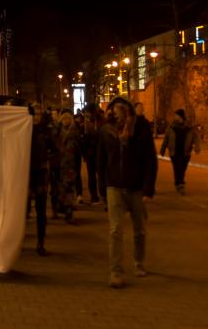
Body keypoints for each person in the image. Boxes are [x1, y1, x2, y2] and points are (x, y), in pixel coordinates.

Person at [98, 97, 158, 288]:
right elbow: (100, 159)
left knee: (139, 230)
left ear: (129, 112)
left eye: (121, 110)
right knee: (115, 230)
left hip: (136, 187)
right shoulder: (107, 131)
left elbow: (150, 159)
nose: (117, 114)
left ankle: (139, 261)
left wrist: (148, 187)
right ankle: (116, 271)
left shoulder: (140, 129)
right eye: (114, 110)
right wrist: (102, 186)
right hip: (114, 185)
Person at [28, 104, 52, 256]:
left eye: (38, 113)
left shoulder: (46, 132)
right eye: (33, 113)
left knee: (41, 209)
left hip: (40, 173)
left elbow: (56, 149)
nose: (36, 116)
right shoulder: (23, 130)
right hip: (24, 173)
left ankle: (40, 242)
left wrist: (46, 158)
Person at [159, 109, 200, 194]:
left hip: (186, 152)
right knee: (177, 168)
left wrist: (197, 147)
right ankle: (180, 184)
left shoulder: (189, 127)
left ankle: (179, 183)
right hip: (174, 152)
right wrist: (162, 149)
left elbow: (196, 137)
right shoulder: (171, 127)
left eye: (176, 115)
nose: (175, 117)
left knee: (183, 169)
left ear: (181, 117)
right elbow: (166, 138)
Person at [58, 109, 80, 223]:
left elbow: (77, 150)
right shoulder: (58, 133)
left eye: (68, 119)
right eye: (64, 119)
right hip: (61, 165)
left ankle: (69, 212)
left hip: (70, 165)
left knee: (69, 190)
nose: (66, 121)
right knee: (63, 190)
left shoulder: (74, 133)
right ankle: (65, 210)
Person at [82, 104, 103, 204]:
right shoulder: (84, 123)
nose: (86, 114)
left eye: (87, 112)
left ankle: (103, 195)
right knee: (92, 176)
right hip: (90, 154)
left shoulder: (100, 122)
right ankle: (94, 196)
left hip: (100, 153)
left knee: (102, 175)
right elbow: (83, 140)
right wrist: (85, 154)